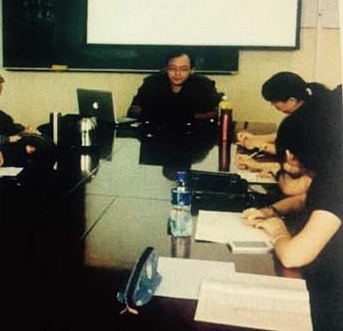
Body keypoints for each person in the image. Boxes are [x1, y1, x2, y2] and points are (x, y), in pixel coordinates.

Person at [242, 106, 342, 331]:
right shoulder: (330, 170)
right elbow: (306, 199)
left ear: (290, 154)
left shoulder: (335, 181)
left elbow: (293, 257)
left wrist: (277, 230)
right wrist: (270, 211)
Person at [236, 71, 340, 155]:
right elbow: (289, 136)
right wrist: (255, 138)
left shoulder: (315, 118)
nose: (273, 105)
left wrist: (260, 145)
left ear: (291, 100)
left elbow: (297, 155)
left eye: (275, 102)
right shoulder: (308, 105)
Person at [127, 52, 222, 125]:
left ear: (192, 70)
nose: (177, 73)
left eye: (183, 69)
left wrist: (188, 117)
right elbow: (133, 111)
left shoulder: (204, 84)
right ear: (166, 69)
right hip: (157, 135)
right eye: (172, 68)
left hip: (196, 136)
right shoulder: (152, 82)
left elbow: (218, 112)